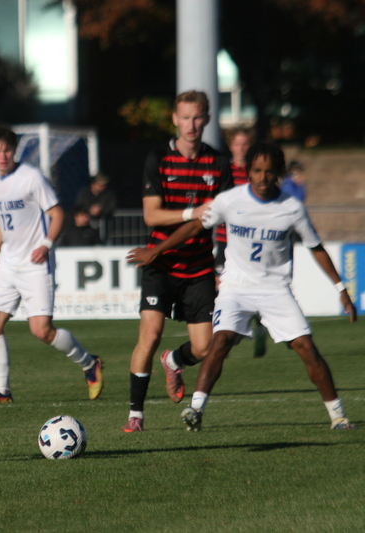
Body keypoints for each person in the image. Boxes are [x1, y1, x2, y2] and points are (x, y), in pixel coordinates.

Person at [127, 141, 357, 431]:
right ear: (248, 171)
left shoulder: (292, 208)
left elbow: (316, 247)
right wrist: (156, 250)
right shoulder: (230, 200)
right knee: (219, 341)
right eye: (257, 171)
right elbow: (196, 226)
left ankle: (338, 416)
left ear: (278, 174)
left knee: (307, 348)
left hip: (275, 290)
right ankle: (195, 410)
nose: (262, 178)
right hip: (236, 287)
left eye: (269, 171)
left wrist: (341, 289)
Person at [123, 90, 234, 432]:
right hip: (160, 262)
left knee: (204, 348)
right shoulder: (158, 158)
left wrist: (225, 269)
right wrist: (192, 212)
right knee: (150, 333)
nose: (191, 124)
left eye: (197, 117)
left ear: (207, 119)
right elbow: (151, 215)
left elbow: (227, 219)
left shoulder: (218, 163)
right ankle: (136, 415)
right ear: (174, 119)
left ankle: (173, 361)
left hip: (199, 267)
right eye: (185, 117)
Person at [0, 125, 103, 404]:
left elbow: (58, 214)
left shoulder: (31, 178)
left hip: (35, 263)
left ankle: (89, 363)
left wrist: (45, 245)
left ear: (14, 150)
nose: (3, 155)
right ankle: (2, 392)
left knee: (41, 330)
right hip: (8, 262)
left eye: (7, 149)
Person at [217, 127, 269, 357]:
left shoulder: (256, 174)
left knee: (256, 286)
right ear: (231, 146)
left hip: (251, 243)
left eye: (245, 144)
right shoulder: (223, 172)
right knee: (222, 287)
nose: (241, 148)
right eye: (237, 144)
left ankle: (259, 323)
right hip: (224, 241)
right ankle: (225, 334)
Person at [74, 173, 117, 243]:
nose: (103, 187)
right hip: (86, 229)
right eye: (101, 185)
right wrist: (89, 211)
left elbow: (112, 206)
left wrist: (101, 210)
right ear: (93, 184)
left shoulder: (108, 194)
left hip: (105, 227)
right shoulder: (84, 194)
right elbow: (79, 207)